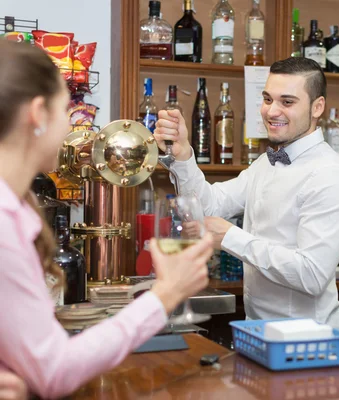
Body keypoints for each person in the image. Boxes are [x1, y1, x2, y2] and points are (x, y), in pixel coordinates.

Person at [0, 40, 214, 398]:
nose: (72, 125)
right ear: (37, 114)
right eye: (64, 110)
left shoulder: (16, 211)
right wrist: (164, 295)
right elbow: (56, 370)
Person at [154, 57, 339, 332]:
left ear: (317, 107)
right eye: (267, 99)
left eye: (287, 102)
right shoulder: (266, 162)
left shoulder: (331, 175)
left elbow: (312, 275)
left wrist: (231, 237)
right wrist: (182, 154)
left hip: (311, 342)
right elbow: (207, 206)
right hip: (258, 335)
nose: (271, 111)